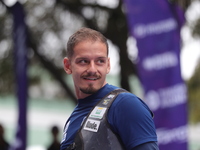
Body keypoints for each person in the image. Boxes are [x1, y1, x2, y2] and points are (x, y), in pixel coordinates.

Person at [60, 27, 158, 150]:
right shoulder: (74, 118)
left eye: (100, 61)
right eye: (83, 61)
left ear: (108, 65)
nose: (92, 69)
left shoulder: (125, 105)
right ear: (68, 66)